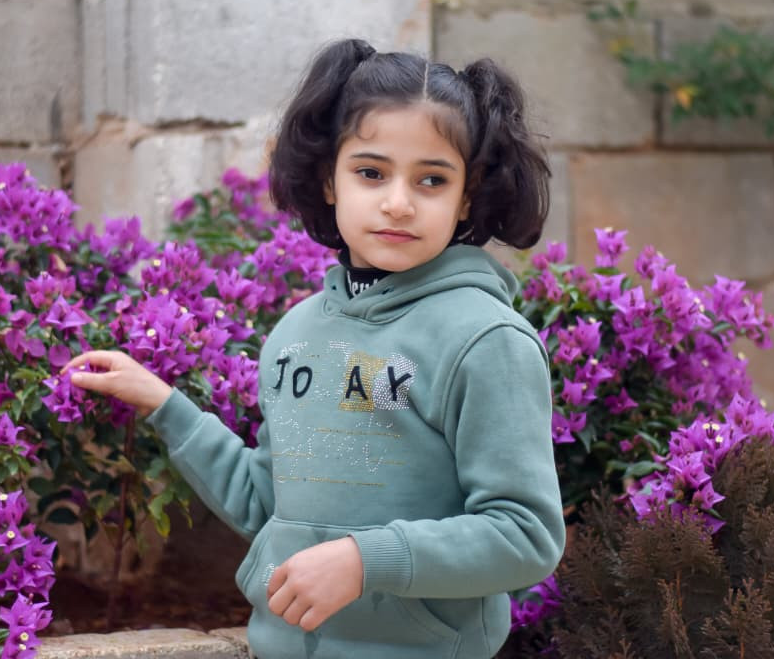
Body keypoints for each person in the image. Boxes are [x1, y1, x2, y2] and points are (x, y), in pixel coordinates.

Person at [62, 38, 565, 659]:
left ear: (467, 195)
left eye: (432, 179)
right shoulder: (296, 333)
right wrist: (165, 405)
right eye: (371, 172)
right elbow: (266, 505)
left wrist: (365, 561)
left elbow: (525, 535)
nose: (399, 202)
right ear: (329, 179)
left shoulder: (487, 341)